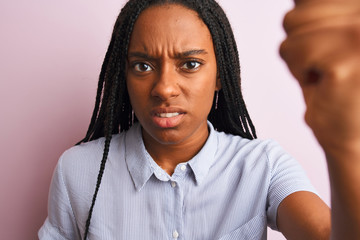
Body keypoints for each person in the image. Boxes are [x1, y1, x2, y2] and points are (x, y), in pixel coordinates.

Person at [38, 0, 360, 239]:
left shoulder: (263, 166)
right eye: (142, 66)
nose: (164, 88)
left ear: (220, 75)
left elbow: (325, 232)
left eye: (189, 64)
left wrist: (345, 144)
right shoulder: (77, 172)